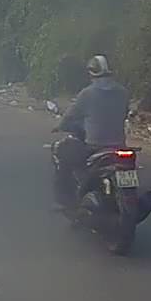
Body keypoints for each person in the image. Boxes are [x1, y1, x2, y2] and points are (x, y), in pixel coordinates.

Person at [52, 55, 130, 206]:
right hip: (120, 145)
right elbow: (125, 113)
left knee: (63, 152)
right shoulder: (123, 92)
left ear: (91, 73)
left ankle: (67, 198)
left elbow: (70, 115)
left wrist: (59, 126)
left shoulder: (87, 94)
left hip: (95, 145)